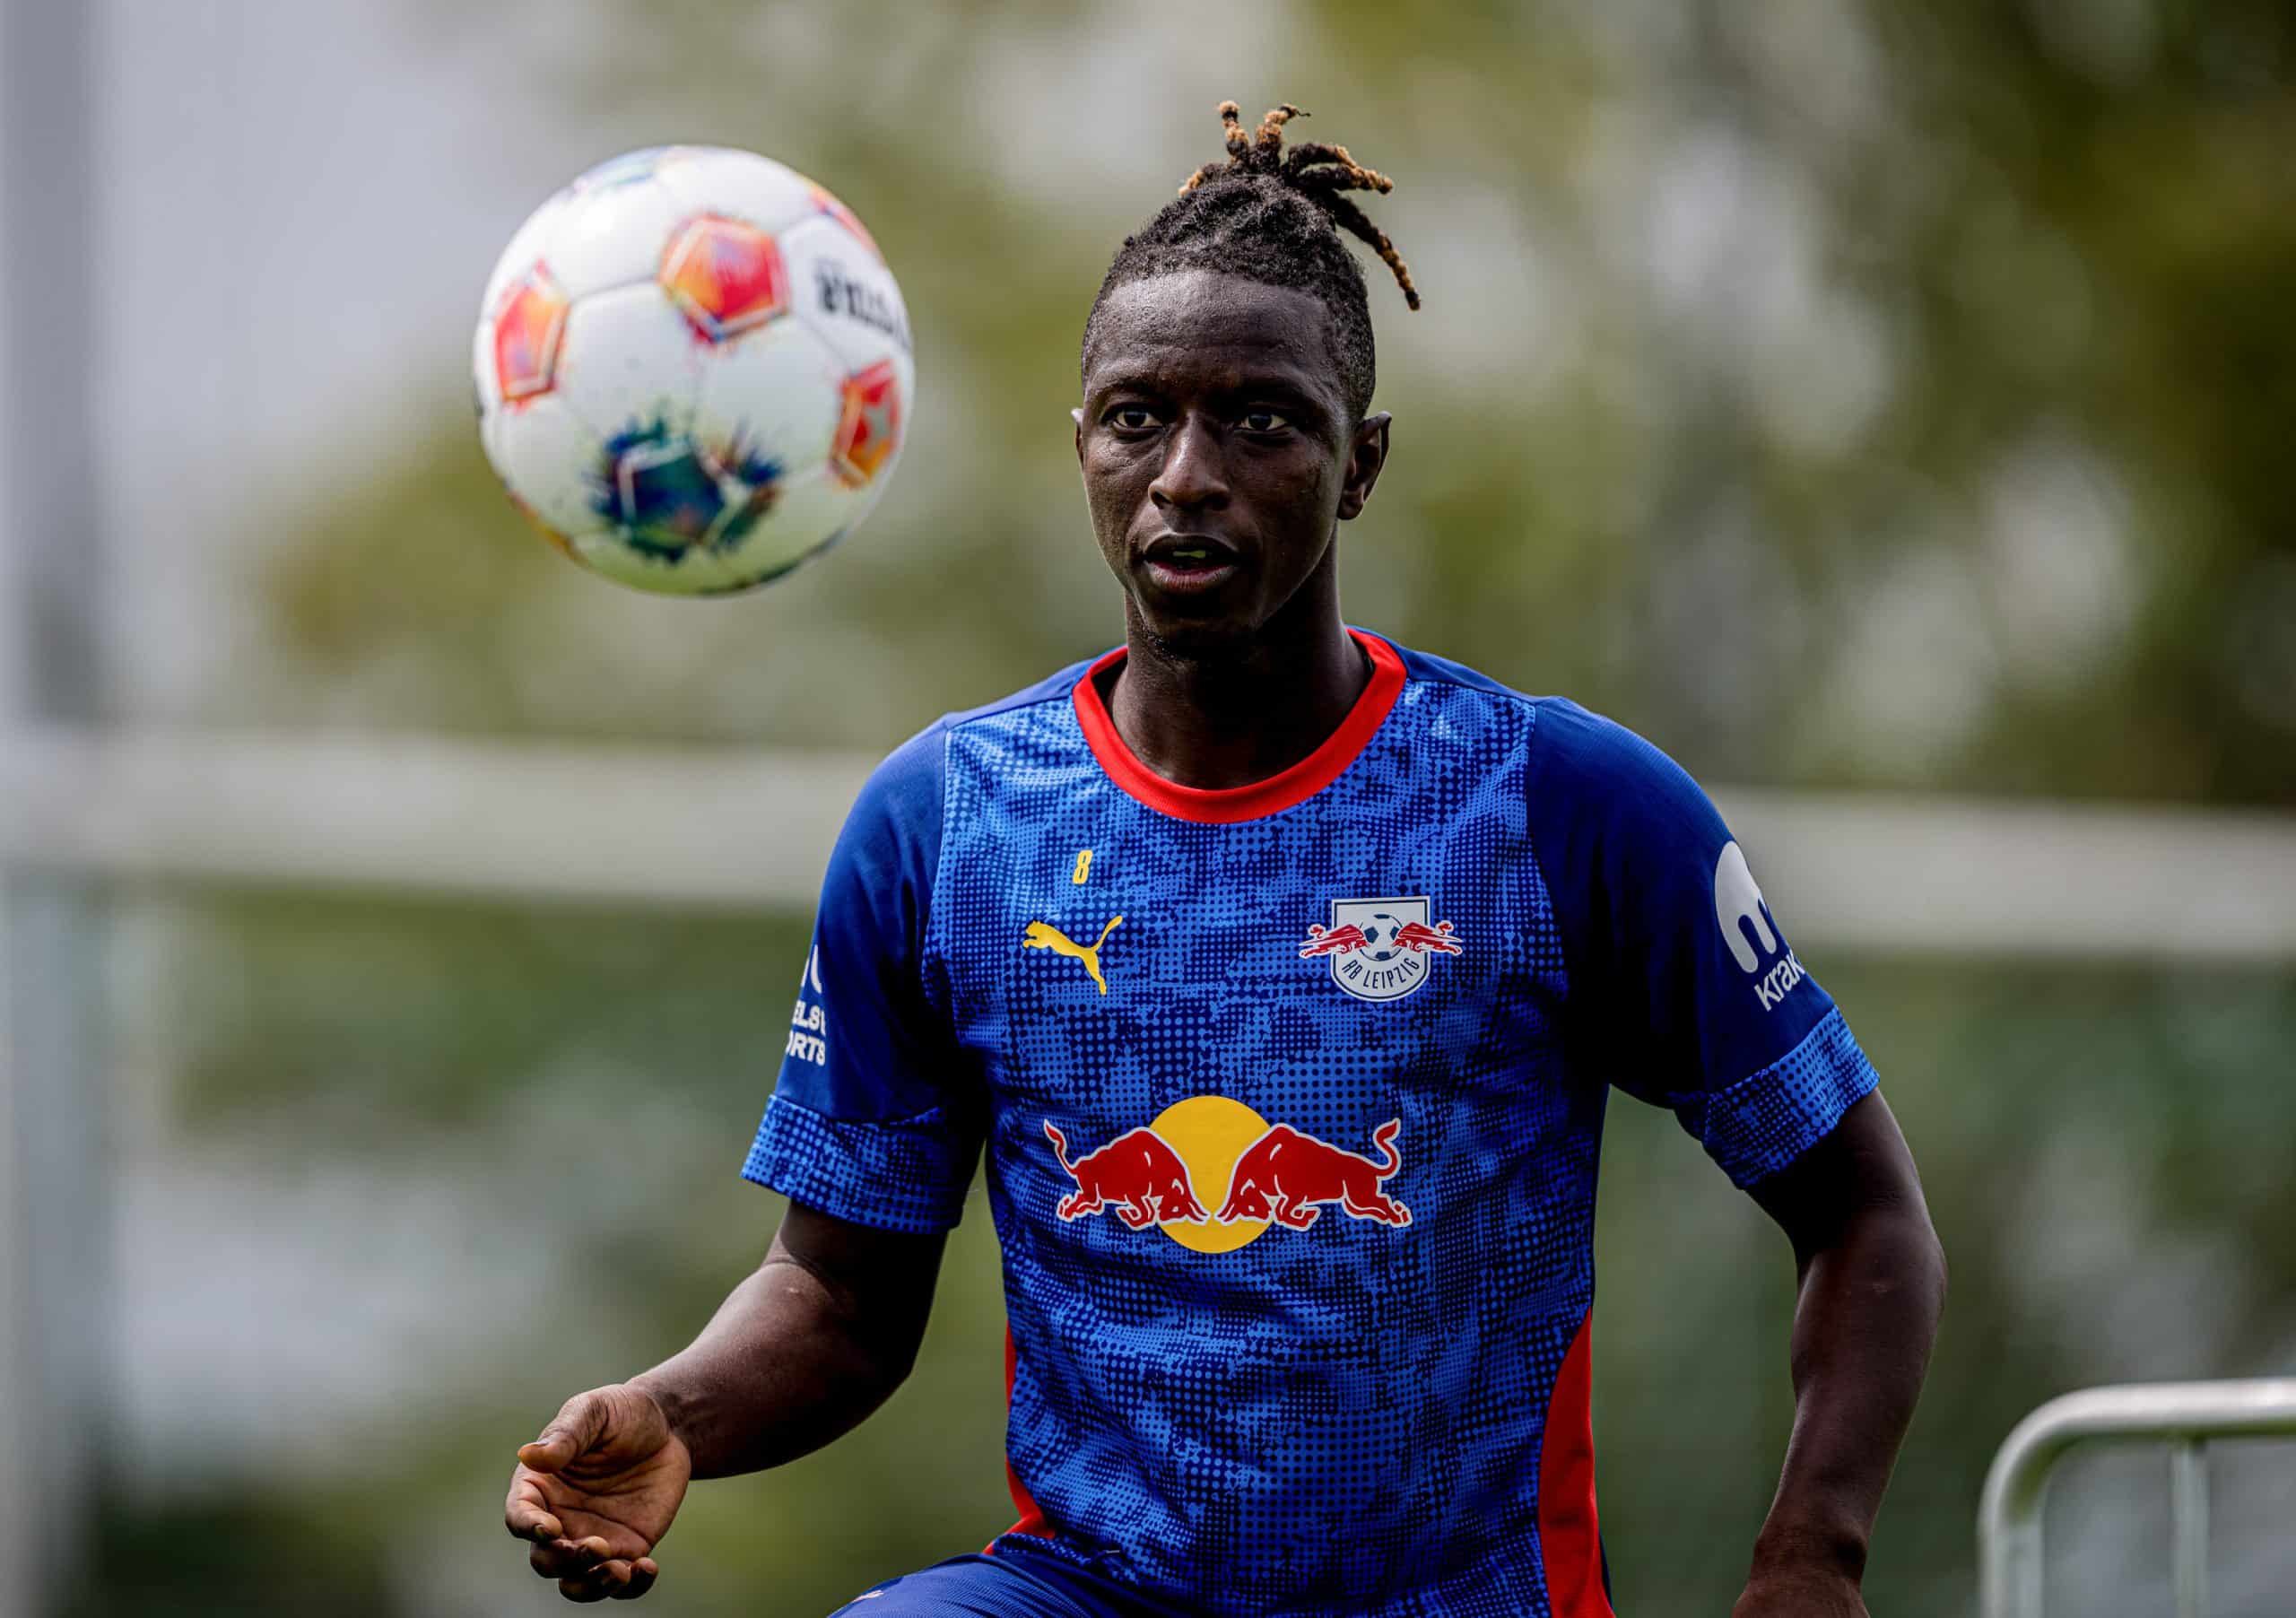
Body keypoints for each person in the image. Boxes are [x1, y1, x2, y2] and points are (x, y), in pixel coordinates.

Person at [503, 101, 1945, 1618]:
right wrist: (672, 1412)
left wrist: (1812, 1557)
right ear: (1083, 449)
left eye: (1262, 420)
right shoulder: (950, 823)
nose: (1186, 472)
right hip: (1089, 1594)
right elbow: (840, 1297)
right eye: (1138, 417)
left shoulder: (1554, 804)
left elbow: (1861, 1215)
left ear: (1362, 463)